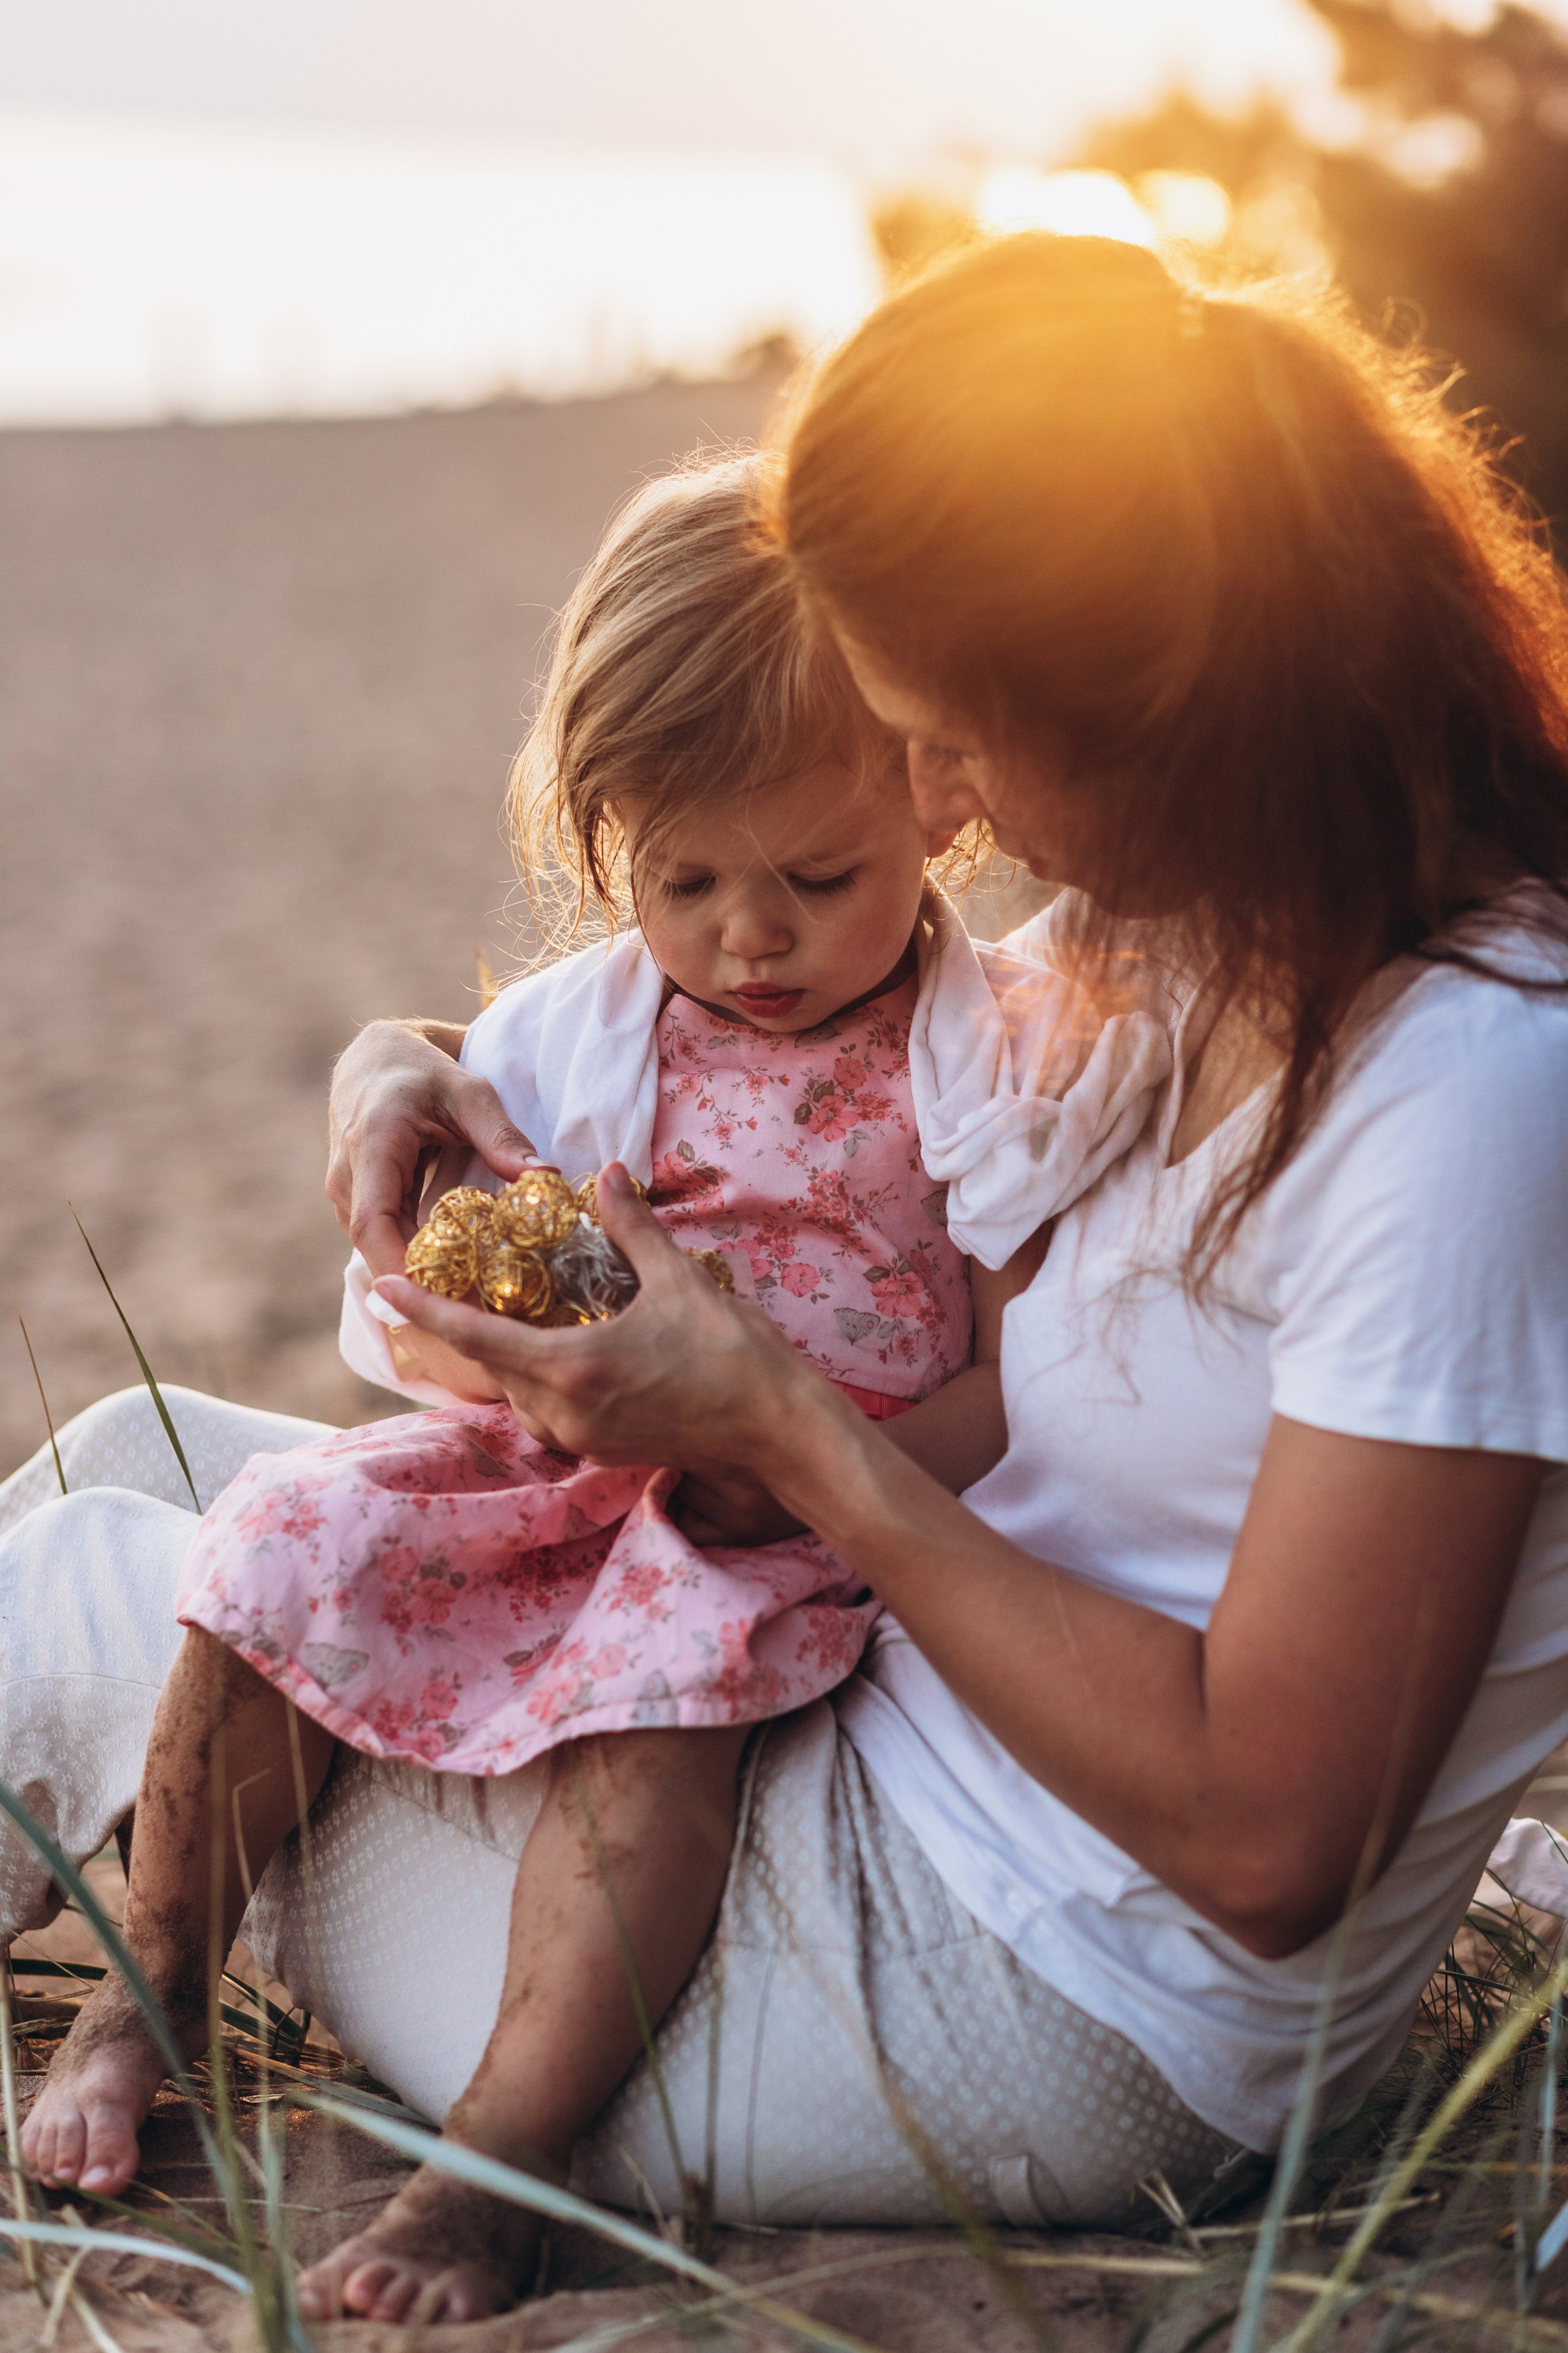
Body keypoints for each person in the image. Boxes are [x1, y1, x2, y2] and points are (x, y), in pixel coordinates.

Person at [3, 229, 1566, 2321]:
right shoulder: (1214, 917)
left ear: (1152, 691)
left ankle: (202, 2020)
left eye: (948, 741)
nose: (939, 810)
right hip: (885, 1739)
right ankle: (118, 1970)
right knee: (143, 1433)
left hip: (1039, 1989)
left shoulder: (1474, 1095)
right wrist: (402, 1065)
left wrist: (784, 1434)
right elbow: (688, 1052)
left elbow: (1272, 1838)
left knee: (110, 1574)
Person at [15, 453, 1166, 2322]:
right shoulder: (585, 1028)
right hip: (545, 1469)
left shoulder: (976, 1059)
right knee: (260, 1552)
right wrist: (454, 1306)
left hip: (774, 1529)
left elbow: (1019, 1391)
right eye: (684, 879)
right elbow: (427, 1291)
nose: (749, 938)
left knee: (658, 1729)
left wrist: (816, 1457)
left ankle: (497, 2163)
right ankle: (148, 1994)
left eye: (819, 876)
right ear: (607, 834)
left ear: (934, 811)